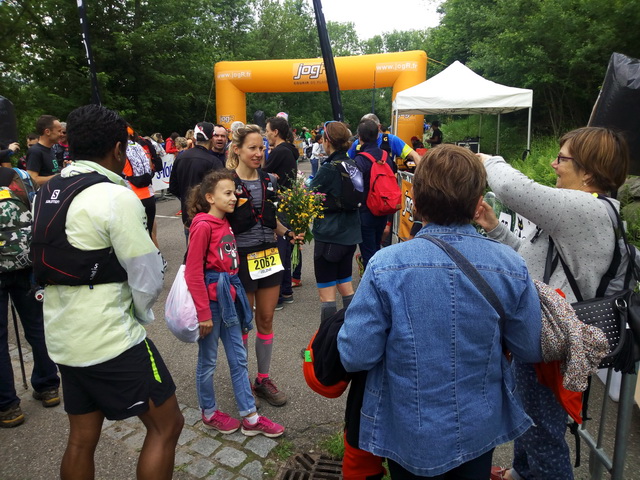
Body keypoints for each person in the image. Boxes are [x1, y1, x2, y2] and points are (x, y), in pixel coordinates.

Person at [338, 144, 543, 479]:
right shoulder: (511, 265)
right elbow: (529, 346)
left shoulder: (385, 266)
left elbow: (356, 355)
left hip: (406, 426)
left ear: (415, 203)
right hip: (479, 423)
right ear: (479, 205)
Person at [31, 104, 183, 480]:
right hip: (110, 339)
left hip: (64, 335)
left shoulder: (48, 190)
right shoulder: (115, 196)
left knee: (82, 438)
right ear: (118, 149)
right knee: (167, 426)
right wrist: (140, 314)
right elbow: (146, 275)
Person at [474, 127, 630, 480]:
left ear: (589, 171)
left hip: (553, 343)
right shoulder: (583, 212)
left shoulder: (587, 209)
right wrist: (496, 228)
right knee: (529, 416)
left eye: (562, 158)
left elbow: (515, 189)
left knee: (543, 434)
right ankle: (521, 473)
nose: (553, 164)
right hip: (542, 334)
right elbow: (529, 262)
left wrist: (487, 161)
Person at [184, 169, 284, 437]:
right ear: (209, 197)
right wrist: (204, 313)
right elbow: (193, 271)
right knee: (208, 360)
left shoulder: (226, 222)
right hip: (212, 304)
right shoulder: (203, 225)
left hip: (230, 297)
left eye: (234, 192)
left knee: (238, 358)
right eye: (227, 193)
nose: (233, 197)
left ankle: (250, 417)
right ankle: (208, 412)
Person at [226, 124, 300, 407]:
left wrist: (289, 232)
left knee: (266, 319)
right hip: (241, 259)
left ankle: (263, 378)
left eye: (261, 148)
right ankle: (243, 380)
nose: (258, 153)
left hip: (269, 257)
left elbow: (271, 220)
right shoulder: (226, 181)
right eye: (252, 148)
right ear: (238, 150)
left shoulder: (270, 179)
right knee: (244, 324)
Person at [0, 167, 60, 428]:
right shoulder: (19, 187)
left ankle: (8, 406)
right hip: (25, 268)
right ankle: (48, 387)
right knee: (37, 328)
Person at [309, 121, 361, 323]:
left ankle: (325, 343)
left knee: (327, 294)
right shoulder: (353, 165)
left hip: (330, 235)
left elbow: (310, 196)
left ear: (327, 141)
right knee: (346, 285)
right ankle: (352, 332)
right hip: (350, 235)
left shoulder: (329, 168)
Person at [353, 118, 397, 272]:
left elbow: (355, 188)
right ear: (378, 135)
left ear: (360, 137)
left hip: (366, 211)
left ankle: (373, 287)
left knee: (368, 253)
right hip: (383, 209)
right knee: (377, 248)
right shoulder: (386, 157)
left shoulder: (360, 159)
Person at [168, 122, 225, 239]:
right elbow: (223, 190)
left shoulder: (180, 157)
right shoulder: (214, 161)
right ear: (211, 138)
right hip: (209, 219)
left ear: (194, 138)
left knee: (191, 253)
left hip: (188, 219)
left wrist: (186, 199)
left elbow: (173, 187)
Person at [264, 116, 298, 309]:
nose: (266, 133)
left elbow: (261, 174)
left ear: (275, 132)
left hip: (278, 203)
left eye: (267, 130)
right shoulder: (289, 150)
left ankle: (277, 296)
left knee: (278, 248)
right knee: (285, 247)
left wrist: (267, 175)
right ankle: (286, 290)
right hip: (287, 202)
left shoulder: (279, 151)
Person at [348, 113, 421, 171]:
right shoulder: (356, 143)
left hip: (384, 187)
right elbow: (346, 162)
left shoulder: (391, 140)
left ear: (379, 127)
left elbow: (414, 155)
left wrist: (421, 176)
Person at [26, 114, 63, 186]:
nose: (61, 134)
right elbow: (33, 179)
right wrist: (58, 177)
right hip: (43, 195)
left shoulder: (50, 149)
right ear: (47, 132)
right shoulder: (35, 151)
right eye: (59, 131)